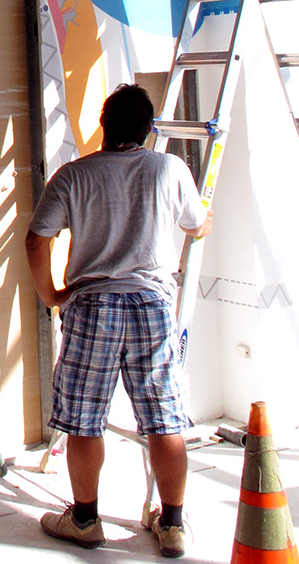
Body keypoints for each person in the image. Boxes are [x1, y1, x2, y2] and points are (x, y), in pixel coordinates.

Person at [25, 83, 213, 558]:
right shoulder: (170, 168)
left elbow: (36, 239)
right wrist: (201, 219)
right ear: (150, 130)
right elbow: (196, 224)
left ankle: (85, 520)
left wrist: (51, 294)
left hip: (93, 306)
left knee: (86, 421)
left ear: (103, 125)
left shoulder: (73, 175)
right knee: (164, 418)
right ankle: (171, 525)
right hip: (151, 305)